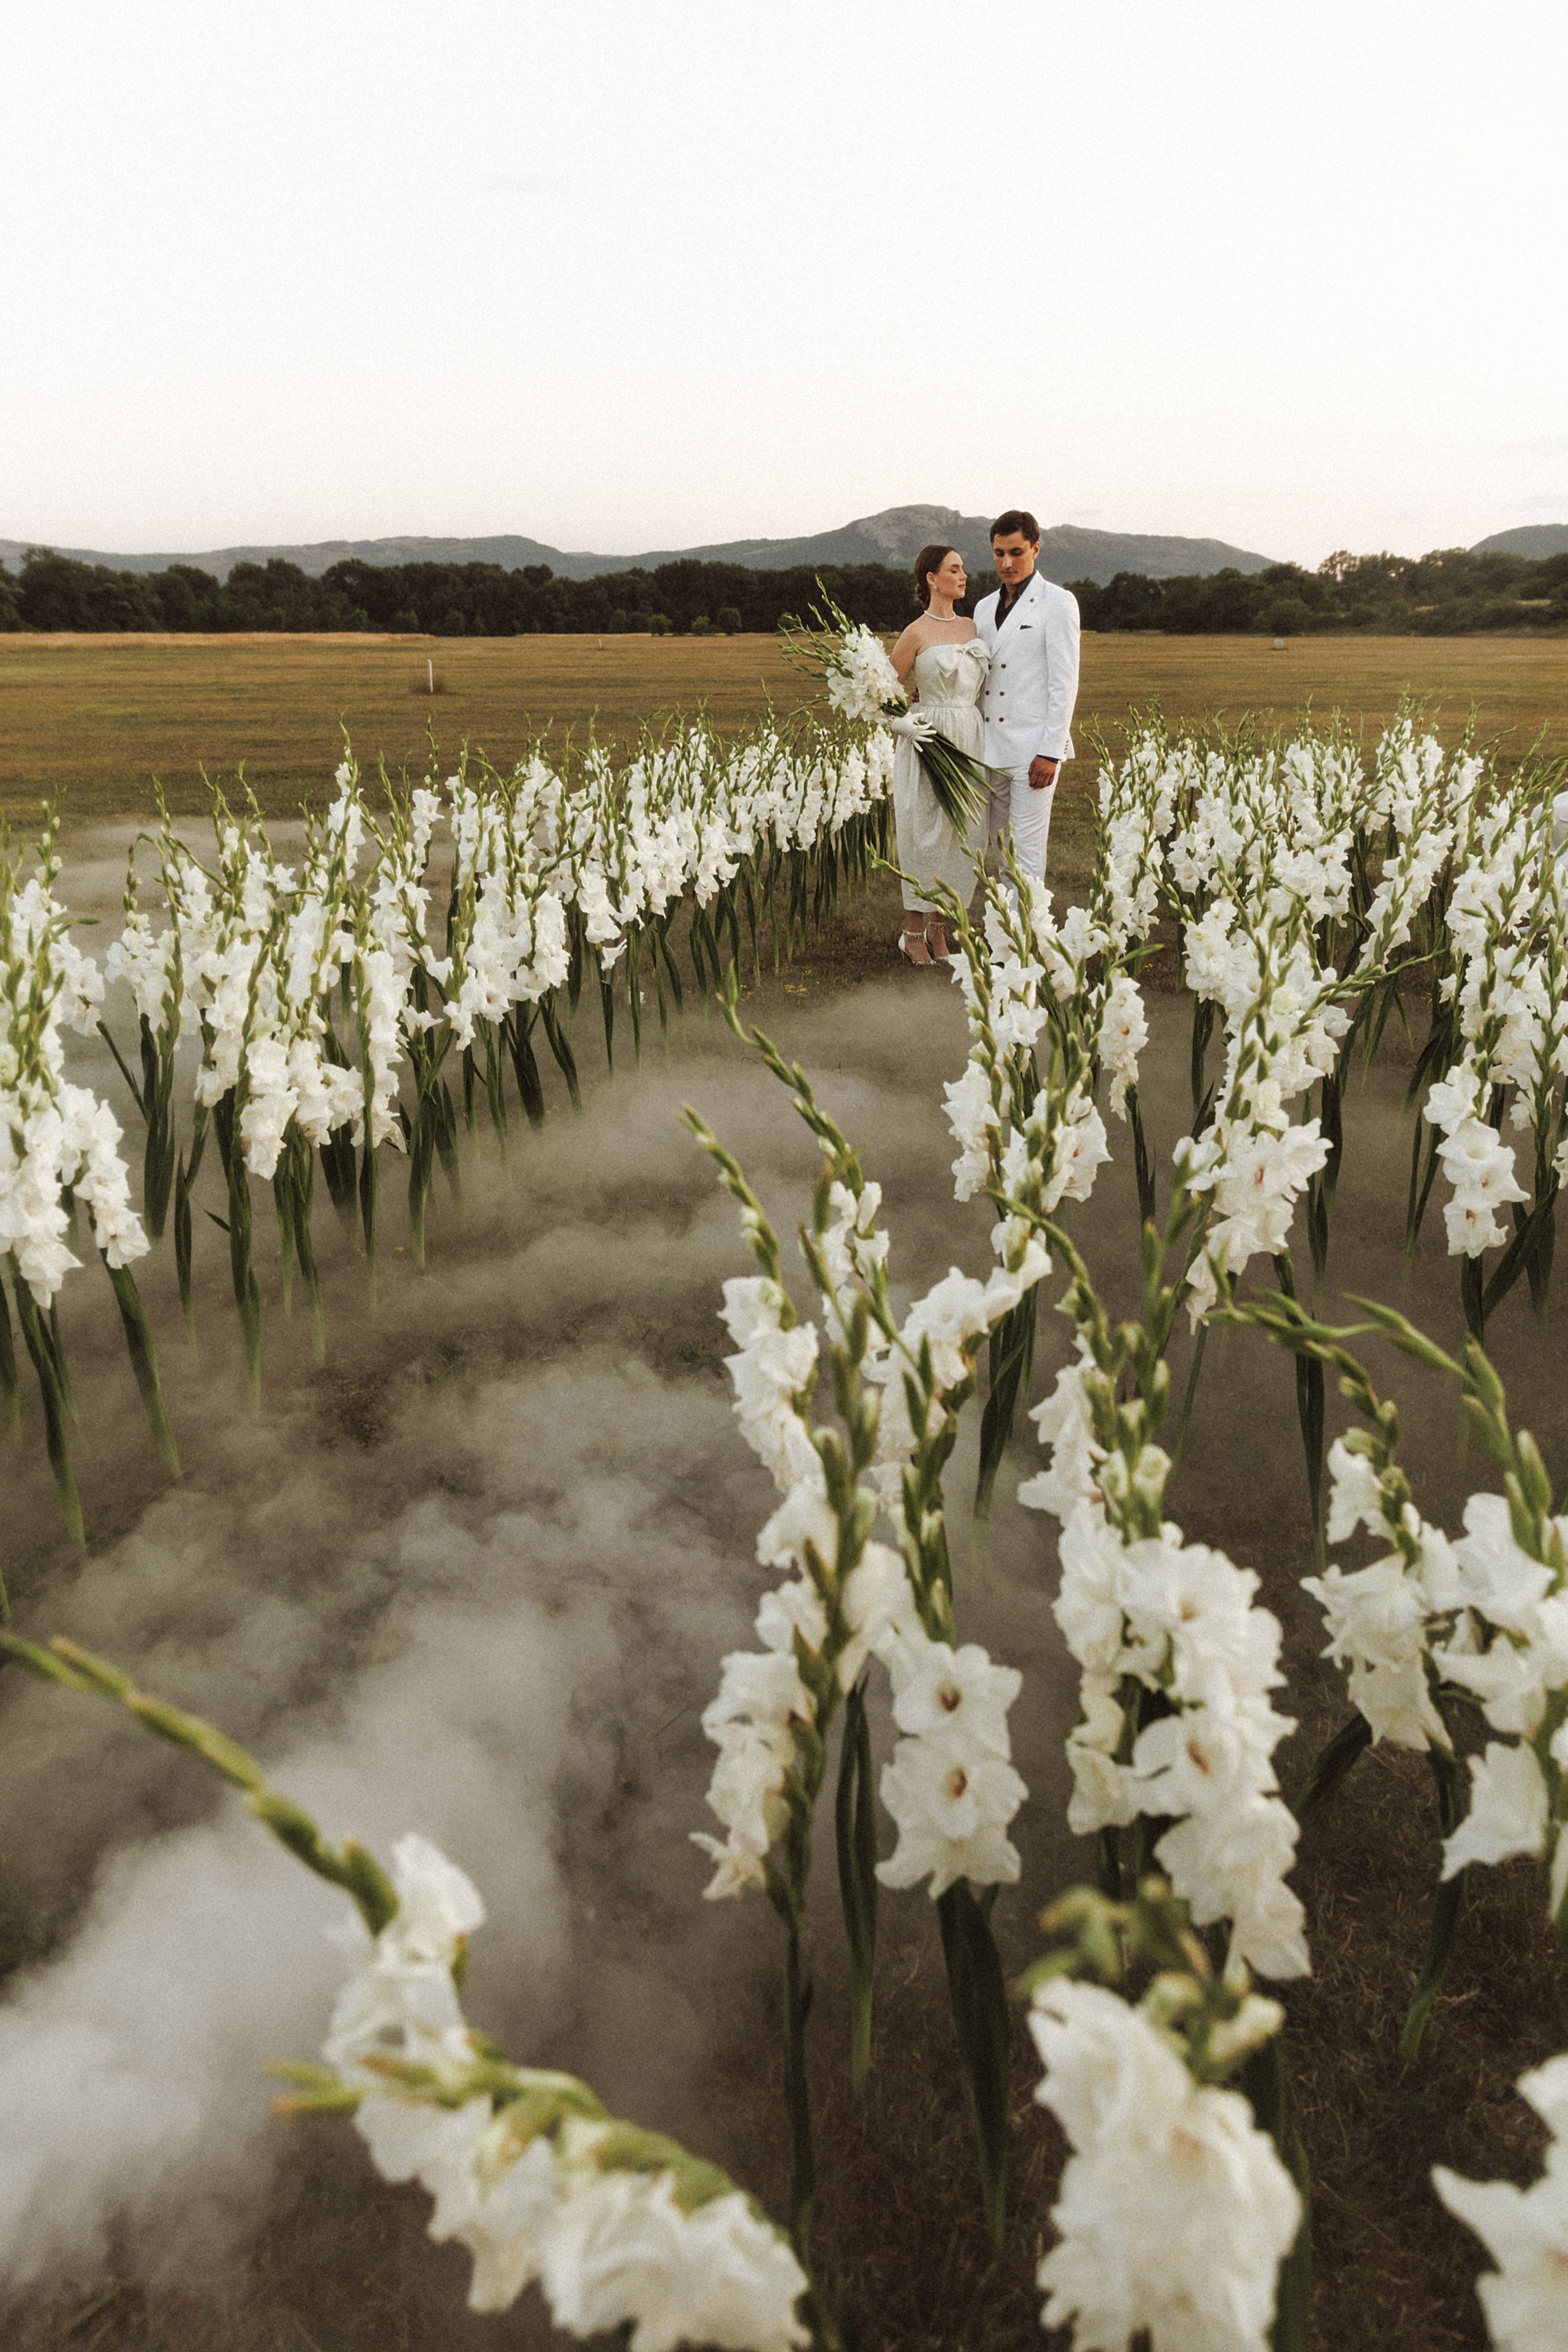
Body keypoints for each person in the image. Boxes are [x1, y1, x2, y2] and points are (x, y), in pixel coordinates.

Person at [885, 542, 990, 965]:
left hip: (969, 736)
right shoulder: (915, 632)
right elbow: (880, 696)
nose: (963, 576)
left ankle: (940, 929)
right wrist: (902, 723)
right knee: (923, 834)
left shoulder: (972, 627)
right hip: (928, 739)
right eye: (954, 569)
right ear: (931, 578)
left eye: (963, 569)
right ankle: (912, 933)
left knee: (961, 835)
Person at [973, 510, 1080, 882]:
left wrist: (1050, 751)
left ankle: (1026, 937)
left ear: (1036, 549)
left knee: (1027, 854)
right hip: (991, 748)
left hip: (1035, 749)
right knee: (1001, 848)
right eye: (999, 553)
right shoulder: (983, 608)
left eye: (1016, 552)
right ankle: (1005, 938)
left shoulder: (1058, 602)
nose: (1007, 562)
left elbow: (1064, 682)